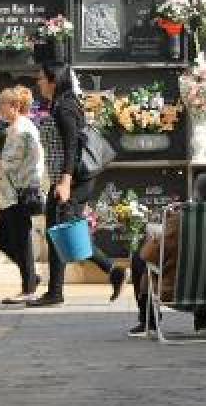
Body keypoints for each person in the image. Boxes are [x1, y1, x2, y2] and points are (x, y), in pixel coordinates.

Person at [27, 62, 125, 307]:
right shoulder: (60, 103)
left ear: (54, 80)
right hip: (65, 178)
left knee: (65, 232)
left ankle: (58, 291)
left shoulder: (65, 107)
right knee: (59, 232)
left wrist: (65, 182)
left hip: (72, 179)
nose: (38, 83)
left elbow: (73, 145)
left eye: (41, 78)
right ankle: (109, 272)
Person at [127, 173, 206, 337]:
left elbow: (150, 255)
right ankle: (204, 323)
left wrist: (153, 239)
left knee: (138, 259)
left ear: (196, 195)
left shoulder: (178, 220)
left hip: (174, 291)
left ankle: (148, 321)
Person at [0, 86, 45, 304]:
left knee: (20, 239)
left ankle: (29, 287)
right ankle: (30, 277)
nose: (0, 108)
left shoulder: (20, 130)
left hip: (19, 193)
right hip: (12, 193)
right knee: (1, 236)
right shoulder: (16, 128)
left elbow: (11, 163)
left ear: (15, 106)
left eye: (3, 104)